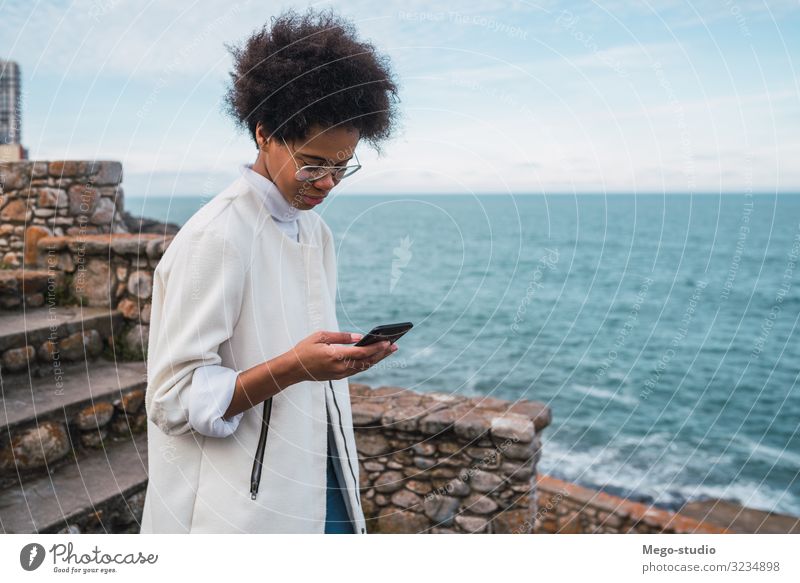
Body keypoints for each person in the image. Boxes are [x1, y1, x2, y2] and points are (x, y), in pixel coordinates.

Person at [139, 7, 400, 534]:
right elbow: (172, 400)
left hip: (319, 479)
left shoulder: (315, 232)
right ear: (263, 133)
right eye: (313, 162)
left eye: (342, 165)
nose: (327, 182)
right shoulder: (217, 235)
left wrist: (336, 361)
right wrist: (294, 368)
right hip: (237, 508)